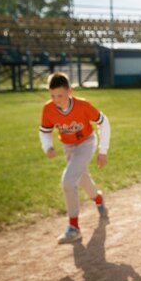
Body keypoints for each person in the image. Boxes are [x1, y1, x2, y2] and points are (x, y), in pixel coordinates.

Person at [39, 72, 110, 244]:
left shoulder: (82, 105)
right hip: (68, 147)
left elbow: (103, 122)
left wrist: (103, 150)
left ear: (70, 91)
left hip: (86, 143)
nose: (57, 100)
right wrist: (47, 146)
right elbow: (45, 131)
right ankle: (98, 198)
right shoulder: (48, 109)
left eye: (61, 95)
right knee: (81, 179)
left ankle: (74, 228)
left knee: (68, 181)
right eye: (53, 96)